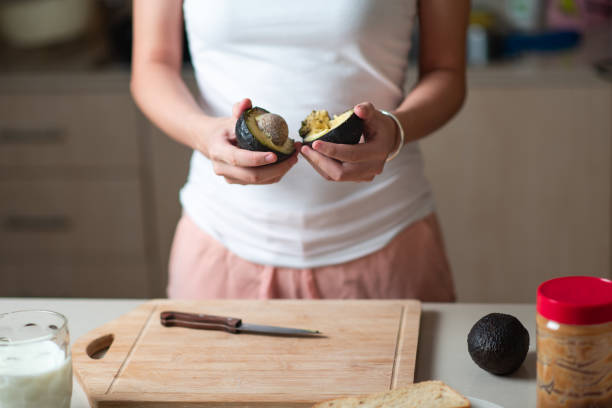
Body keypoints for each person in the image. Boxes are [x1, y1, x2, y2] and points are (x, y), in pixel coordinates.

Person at [131, 0, 469, 301]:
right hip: (220, 241)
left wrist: (396, 129)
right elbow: (152, 64)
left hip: (388, 241)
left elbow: (447, 70)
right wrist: (201, 133)